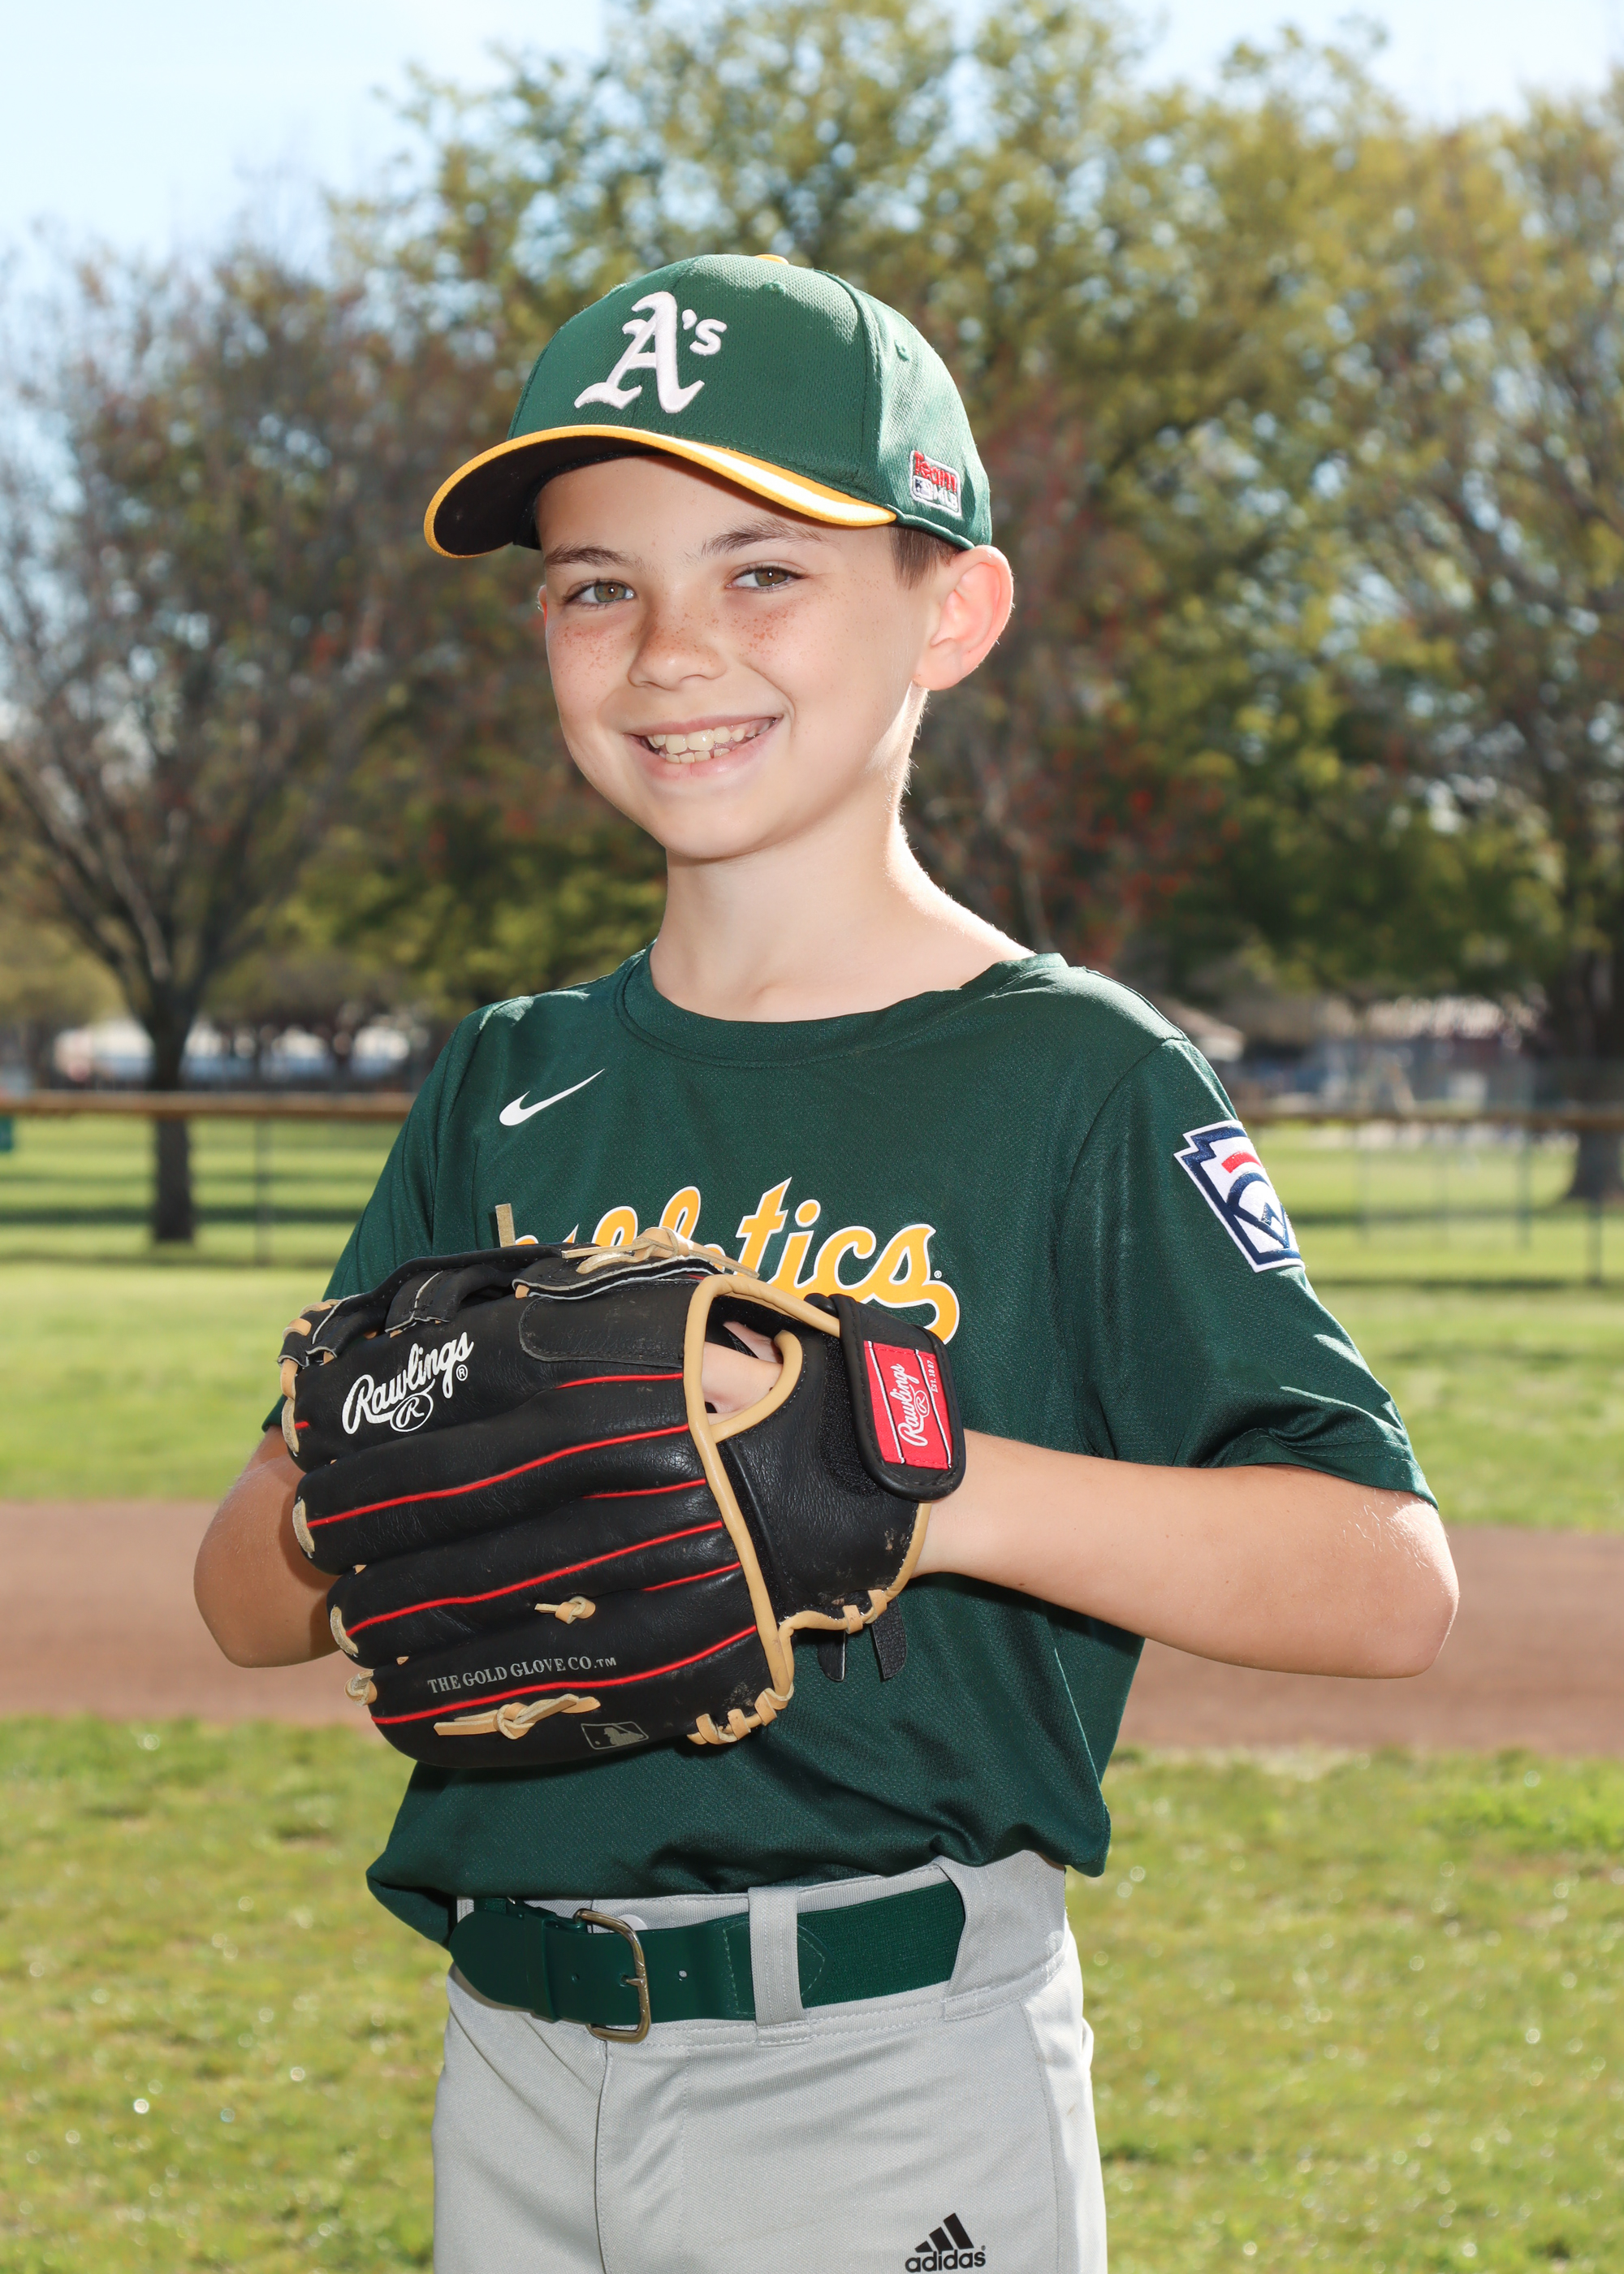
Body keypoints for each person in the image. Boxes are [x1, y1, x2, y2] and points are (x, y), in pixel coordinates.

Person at [195, 254, 1457, 2274]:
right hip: (511, 2058)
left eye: (762, 570)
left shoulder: (1073, 1074)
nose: (669, 649)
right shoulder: (510, 1079)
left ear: (950, 607)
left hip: (882, 2057)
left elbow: (1385, 1581)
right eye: (594, 586)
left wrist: (899, 1481)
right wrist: (370, 1488)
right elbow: (245, 1599)